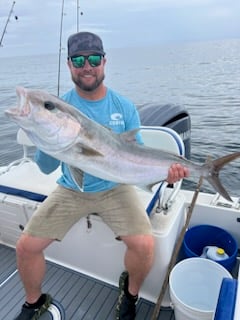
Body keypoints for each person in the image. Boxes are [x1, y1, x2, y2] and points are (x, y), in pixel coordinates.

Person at [14, 31, 189, 320]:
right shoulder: (64, 104)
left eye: (94, 58)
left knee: (145, 245)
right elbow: (45, 168)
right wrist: (40, 134)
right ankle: (34, 302)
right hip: (72, 187)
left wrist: (167, 174)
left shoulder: (123, 106)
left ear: (104, 62)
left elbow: (137, 155)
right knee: (25, 247)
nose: (87, 66)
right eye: (79, 60)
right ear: (69, 65)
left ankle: (130, 294)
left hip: (114, 187)